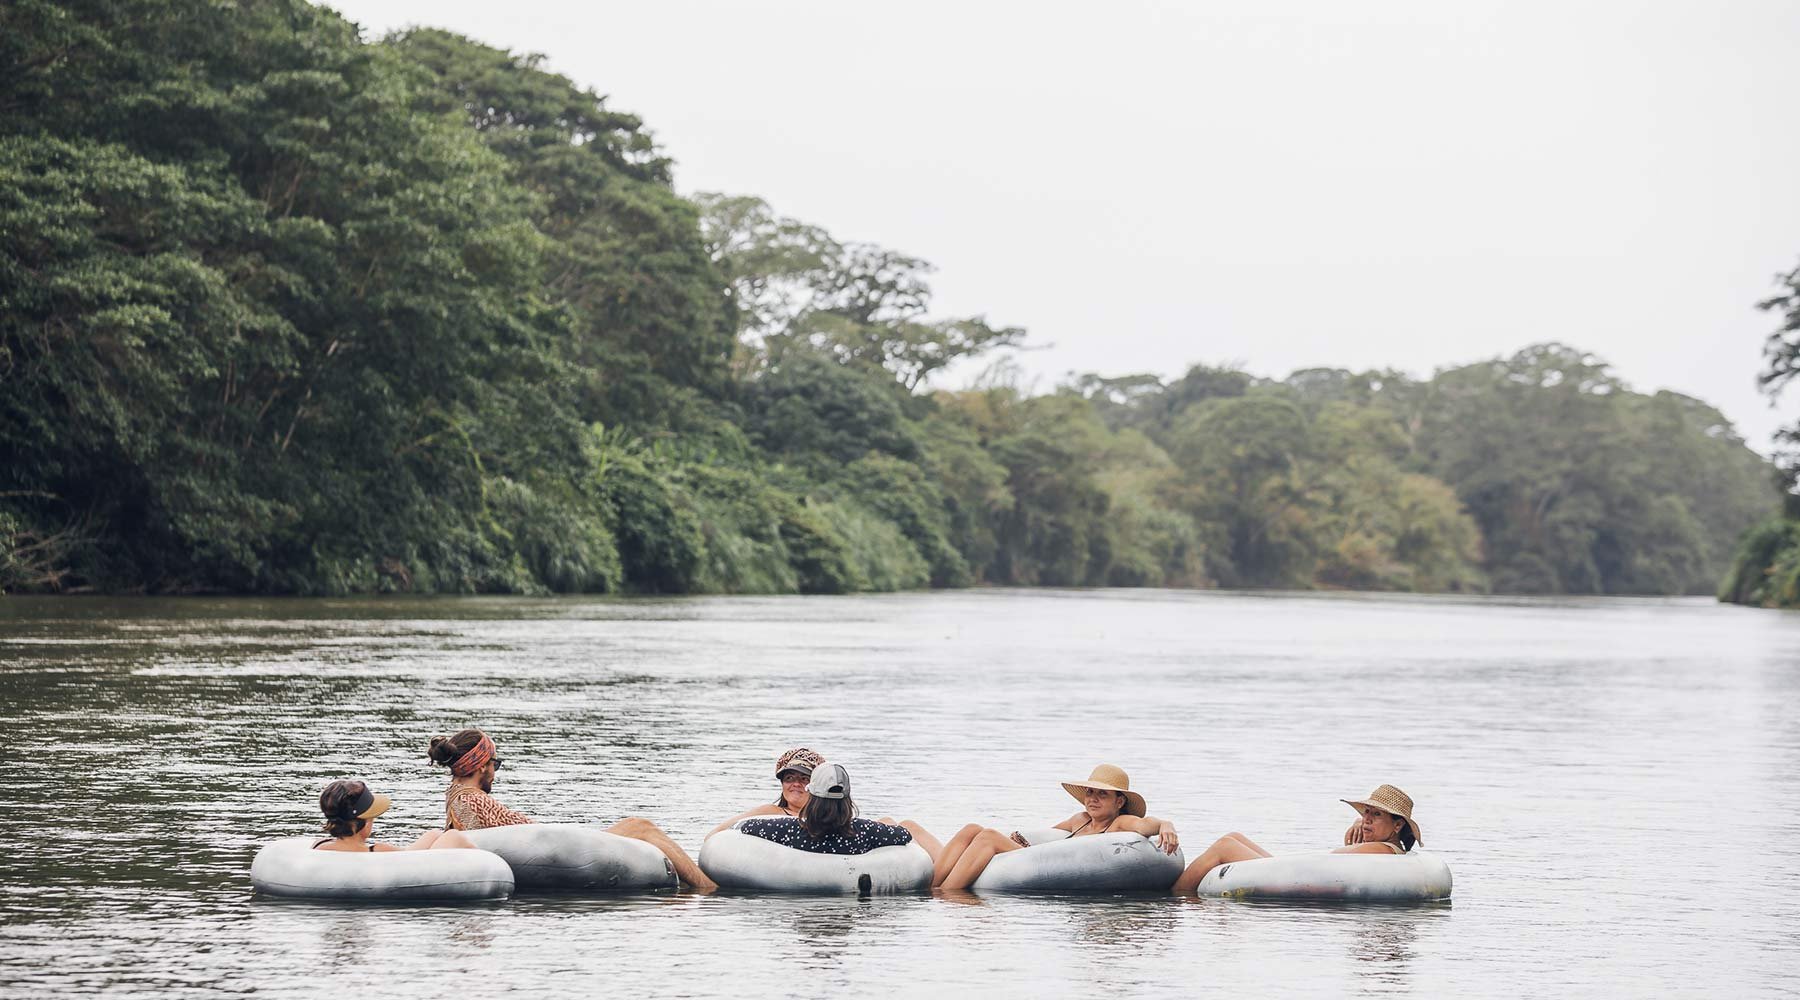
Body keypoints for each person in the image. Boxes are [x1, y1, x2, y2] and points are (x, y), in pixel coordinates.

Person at [428, 727, 718, 891]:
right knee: (640, 826)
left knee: (637, 827)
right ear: (481, 766)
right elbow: (494, 842)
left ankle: (701, 884)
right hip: (560, 855)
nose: (496, 772)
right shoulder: (473, 800)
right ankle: (707, 889)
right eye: (495, 764)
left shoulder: (456, 795)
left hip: (552, 851)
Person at [918, 764, 1180, 890]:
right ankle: (931, 886)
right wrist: (1017, 840)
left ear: (1119, 801)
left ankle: (945, 894)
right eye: (1090, 792)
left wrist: (1165, 824)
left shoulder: (1121, 822)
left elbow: (1146, 825)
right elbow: (1044, 845)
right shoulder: (1080, 820)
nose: (1093, 799)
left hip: (1054, 870)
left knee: (987, 837)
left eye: (1102, 794)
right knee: (971, 828)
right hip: (1038, 862)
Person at [1171, 783, 1424, 894]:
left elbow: (1333, 862)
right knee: (1233, 836)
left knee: (1224, 846)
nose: (1366, 819)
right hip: (1299, 872)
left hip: (1300, 877)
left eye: (1376, 815)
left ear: (1398, 824)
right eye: (1365, 813)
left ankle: (1175, 896)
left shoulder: (1382, 851)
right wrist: (1362, 828)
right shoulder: (1382, 845)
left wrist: (1361, 839)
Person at [737, 764, 915, 855]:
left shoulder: (790, 829)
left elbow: (745, 827)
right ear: (847, 800)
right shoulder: (863, 831)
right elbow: (904, 835)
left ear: (812, 797)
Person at [312, 778, 477, 852]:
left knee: (434, 835)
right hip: (412, 865)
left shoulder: (320, 846)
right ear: (362, 822)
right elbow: (409, 861)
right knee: (454, 836)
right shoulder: (377, 849)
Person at [708, 747, 824, 836]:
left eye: (804, 779)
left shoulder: (828, 818)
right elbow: (715, 834)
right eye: (789, 778)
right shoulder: (770, 812)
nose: (796, 784)